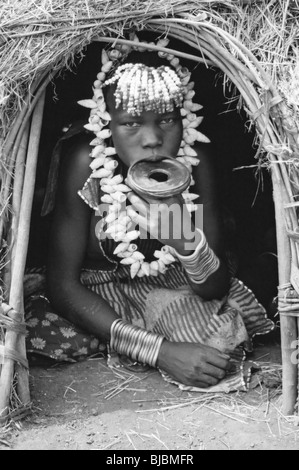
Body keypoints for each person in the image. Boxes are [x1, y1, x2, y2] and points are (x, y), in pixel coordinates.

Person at [24, 35, 274, 391]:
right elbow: (63, 284)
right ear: (106, 123)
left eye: (168, 120)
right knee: (43, 329)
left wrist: (180, 236)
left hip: (174, 289)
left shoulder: (195, 164)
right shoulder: (85, 164)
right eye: (131, 123)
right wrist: (159, 351)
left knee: (219, 342)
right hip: (99, 291)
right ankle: (132, 342)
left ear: (184, 118)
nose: (153, 138)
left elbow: (211, 287)